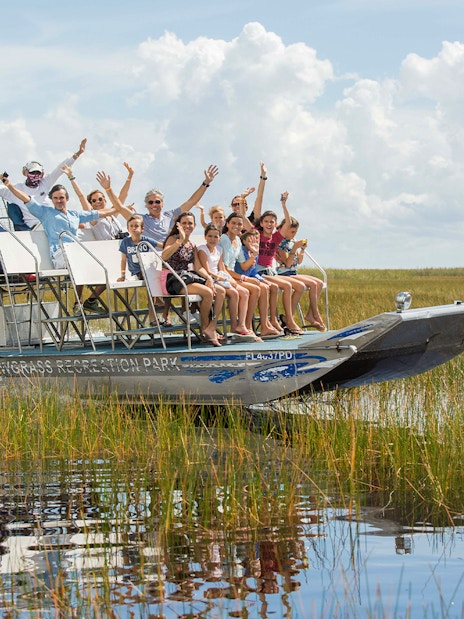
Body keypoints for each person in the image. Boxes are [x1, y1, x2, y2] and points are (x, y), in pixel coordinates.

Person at [1, 173, 118, 314]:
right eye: (55, 198)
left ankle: (86, 301)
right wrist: (9, 186)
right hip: (59, 254)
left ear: (67, 199)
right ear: (51, 200)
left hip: (75, 253)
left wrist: (121, 207)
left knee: (107, 265)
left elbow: (101, 213)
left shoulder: (75, 214)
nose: (59, 201)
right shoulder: (45, 212)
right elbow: (25, 198)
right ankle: (79, 302)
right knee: (79, 259)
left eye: (61, 197)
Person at [250, 164, 306, 335]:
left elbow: (287, 223)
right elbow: (259, 200)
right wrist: (263, 178)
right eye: (266, 221)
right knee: (284, 287)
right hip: (259, 272)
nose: (269, 224)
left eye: (272, 222)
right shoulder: (257, 233)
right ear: (261, 223)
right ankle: (276, 320)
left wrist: (283, 205)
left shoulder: (275, 237)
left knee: (294, 286)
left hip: (271, 271)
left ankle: (285, 320)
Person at [113, 165, 219, 247]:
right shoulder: (140, 219)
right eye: (151, 202)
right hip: (151, 259)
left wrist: (206, 183)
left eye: (158, 202)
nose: (154, 205)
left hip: (171, 258)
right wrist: (108, 189)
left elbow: (191, 201)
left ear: (162, 203)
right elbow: (120, 207)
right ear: (146, 205)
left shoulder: (171, 215)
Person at [162, 212, 225, 347]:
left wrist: (208, 278)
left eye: (190, 223)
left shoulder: (192, 245)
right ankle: (205, 329)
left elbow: (197, 267)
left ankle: (209, 327)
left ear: (194, 226)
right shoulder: (173, 239)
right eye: (184, 223)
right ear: (178, 225)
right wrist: (180, 241)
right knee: (207, 292)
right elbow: (164, 256)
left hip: (187, 277)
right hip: (173, 278)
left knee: (218, 290)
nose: (187, 226)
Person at [0, 138, 87, 230]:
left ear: (42, 174)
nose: (35, 176)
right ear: (25, 173)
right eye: (32, 173)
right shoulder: (14, 189)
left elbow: (60, 168)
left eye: (38, 173)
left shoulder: (45, 183)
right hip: (35, 227)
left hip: (51, 222)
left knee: (82, 226)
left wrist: (78, 153)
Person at [219, 213, 281, 339]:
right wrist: (243, 278)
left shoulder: (237, 241)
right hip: (224, 275)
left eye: (239, 224)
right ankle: (243, 326)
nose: (237, 226)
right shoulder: (223, 239)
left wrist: (254, 254)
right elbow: (224, 268)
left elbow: (244, 266)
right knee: (253, 289)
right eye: (234, 223)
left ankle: (257, 326)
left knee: (261, 287)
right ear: (227, 224)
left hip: (233, 275)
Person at [197, 223, 250, 338]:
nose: (212, 239)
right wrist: (220, 278)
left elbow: (222, 268)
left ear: (219, 238)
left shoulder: (219, 249)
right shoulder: (202, 249)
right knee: (222, 291)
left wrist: (230, 279)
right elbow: (207, 270)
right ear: (205, 237)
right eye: (210, 236)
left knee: (236, 292)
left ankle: (235, 325)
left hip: (219, 277)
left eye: (216, 237)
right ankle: (213, 325)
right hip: (209, 278)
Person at [62, 161, 134, 240]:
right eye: (93, 201)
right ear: (91, 204)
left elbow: (122, 196)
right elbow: (81, 196)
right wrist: (71, 176)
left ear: (105, 201)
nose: (97, 202)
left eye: (100, 199)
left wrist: (130, 176)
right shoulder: (93, 217)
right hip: (105, 249)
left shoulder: (112, 213)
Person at [276, 218, 326, 331]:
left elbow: (299, 261)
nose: (294, 235)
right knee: (313, 284)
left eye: (296, 232)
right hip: (285, 274)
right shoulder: (281, 244)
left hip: (294, 273)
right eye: (292, 232)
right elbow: (288, 264)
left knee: (319, 283)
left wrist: (302, 250)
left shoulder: (293, 242)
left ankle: (309, 314)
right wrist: (294, 248)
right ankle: (315, 315)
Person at [234, 229, 283, 336]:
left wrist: (262, 280)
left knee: (268, 286)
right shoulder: (242, 251)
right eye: (251, 240)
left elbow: (254, 271)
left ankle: (265, 323)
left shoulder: (254, 251)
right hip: (239, 278)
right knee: (260, 288)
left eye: (256, 240)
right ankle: (248, 324)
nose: (254, 242)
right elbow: (243, 269)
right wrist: (254, 254)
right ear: (244, 241)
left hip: (248, 278)